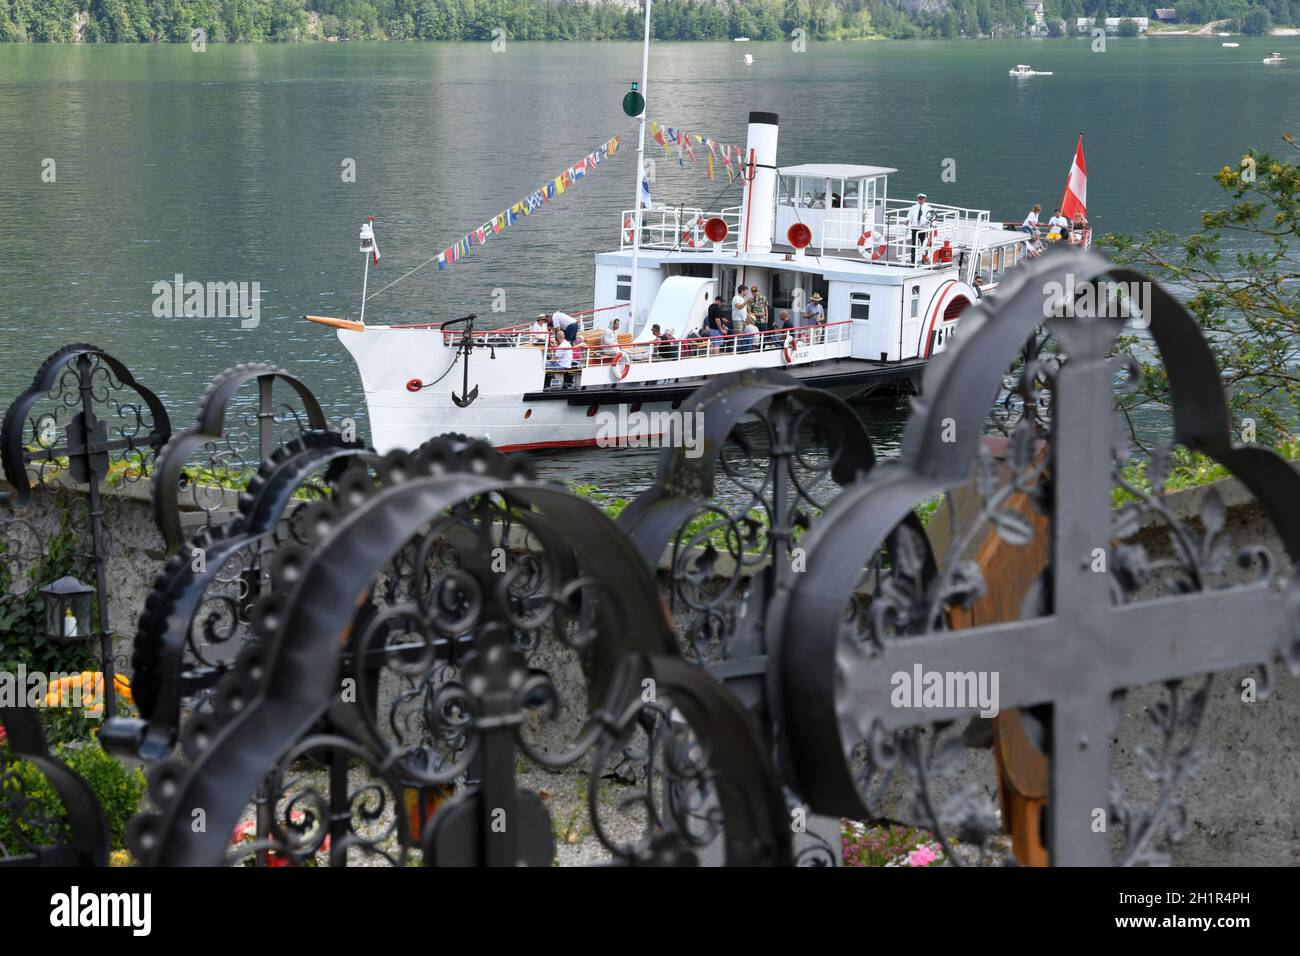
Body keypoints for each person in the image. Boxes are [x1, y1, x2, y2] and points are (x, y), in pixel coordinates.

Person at [905, 193, 930, 264]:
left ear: (924, 199)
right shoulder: (913, 208)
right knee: (914, 245)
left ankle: (924, 260)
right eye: (919, 199)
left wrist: (927, 223)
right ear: (918, 199)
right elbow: (909, 216)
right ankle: (913, 260)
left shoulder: (928, 208)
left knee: (924, 245)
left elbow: (930, 217)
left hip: (923, 229)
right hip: (914, 228)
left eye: (922, 199)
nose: (921, 200)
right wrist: (907, 222)